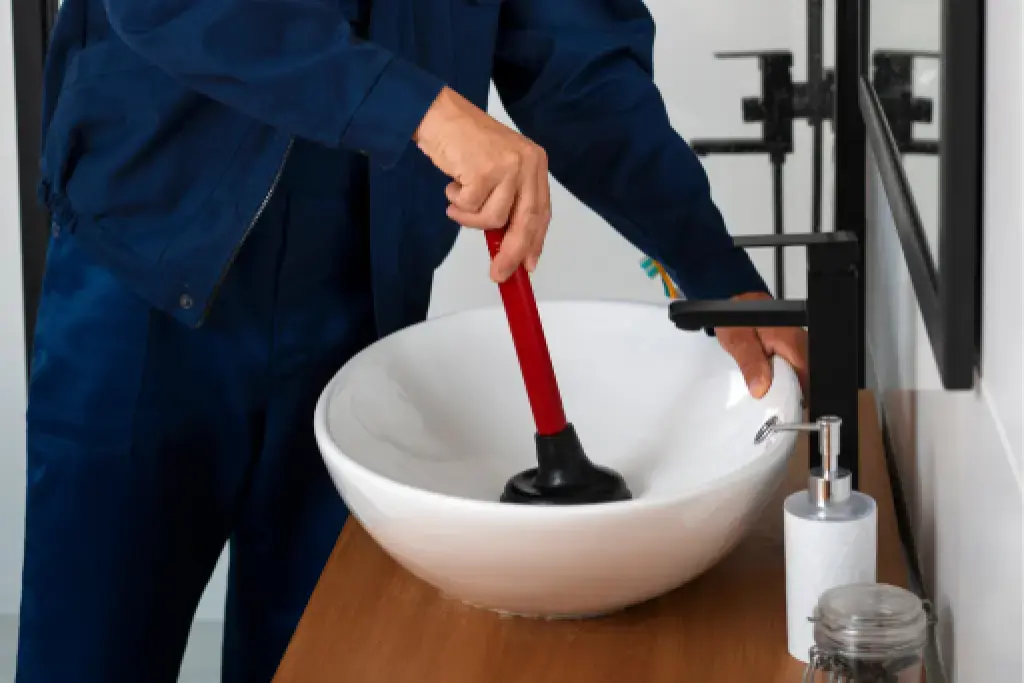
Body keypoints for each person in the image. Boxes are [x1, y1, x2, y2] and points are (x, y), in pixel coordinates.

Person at [17, 0, 808, 681]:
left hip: (355, 318)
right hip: (142, 287)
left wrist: (717, 270)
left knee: (322, 656)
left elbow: (578, 59)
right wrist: (425, 111)